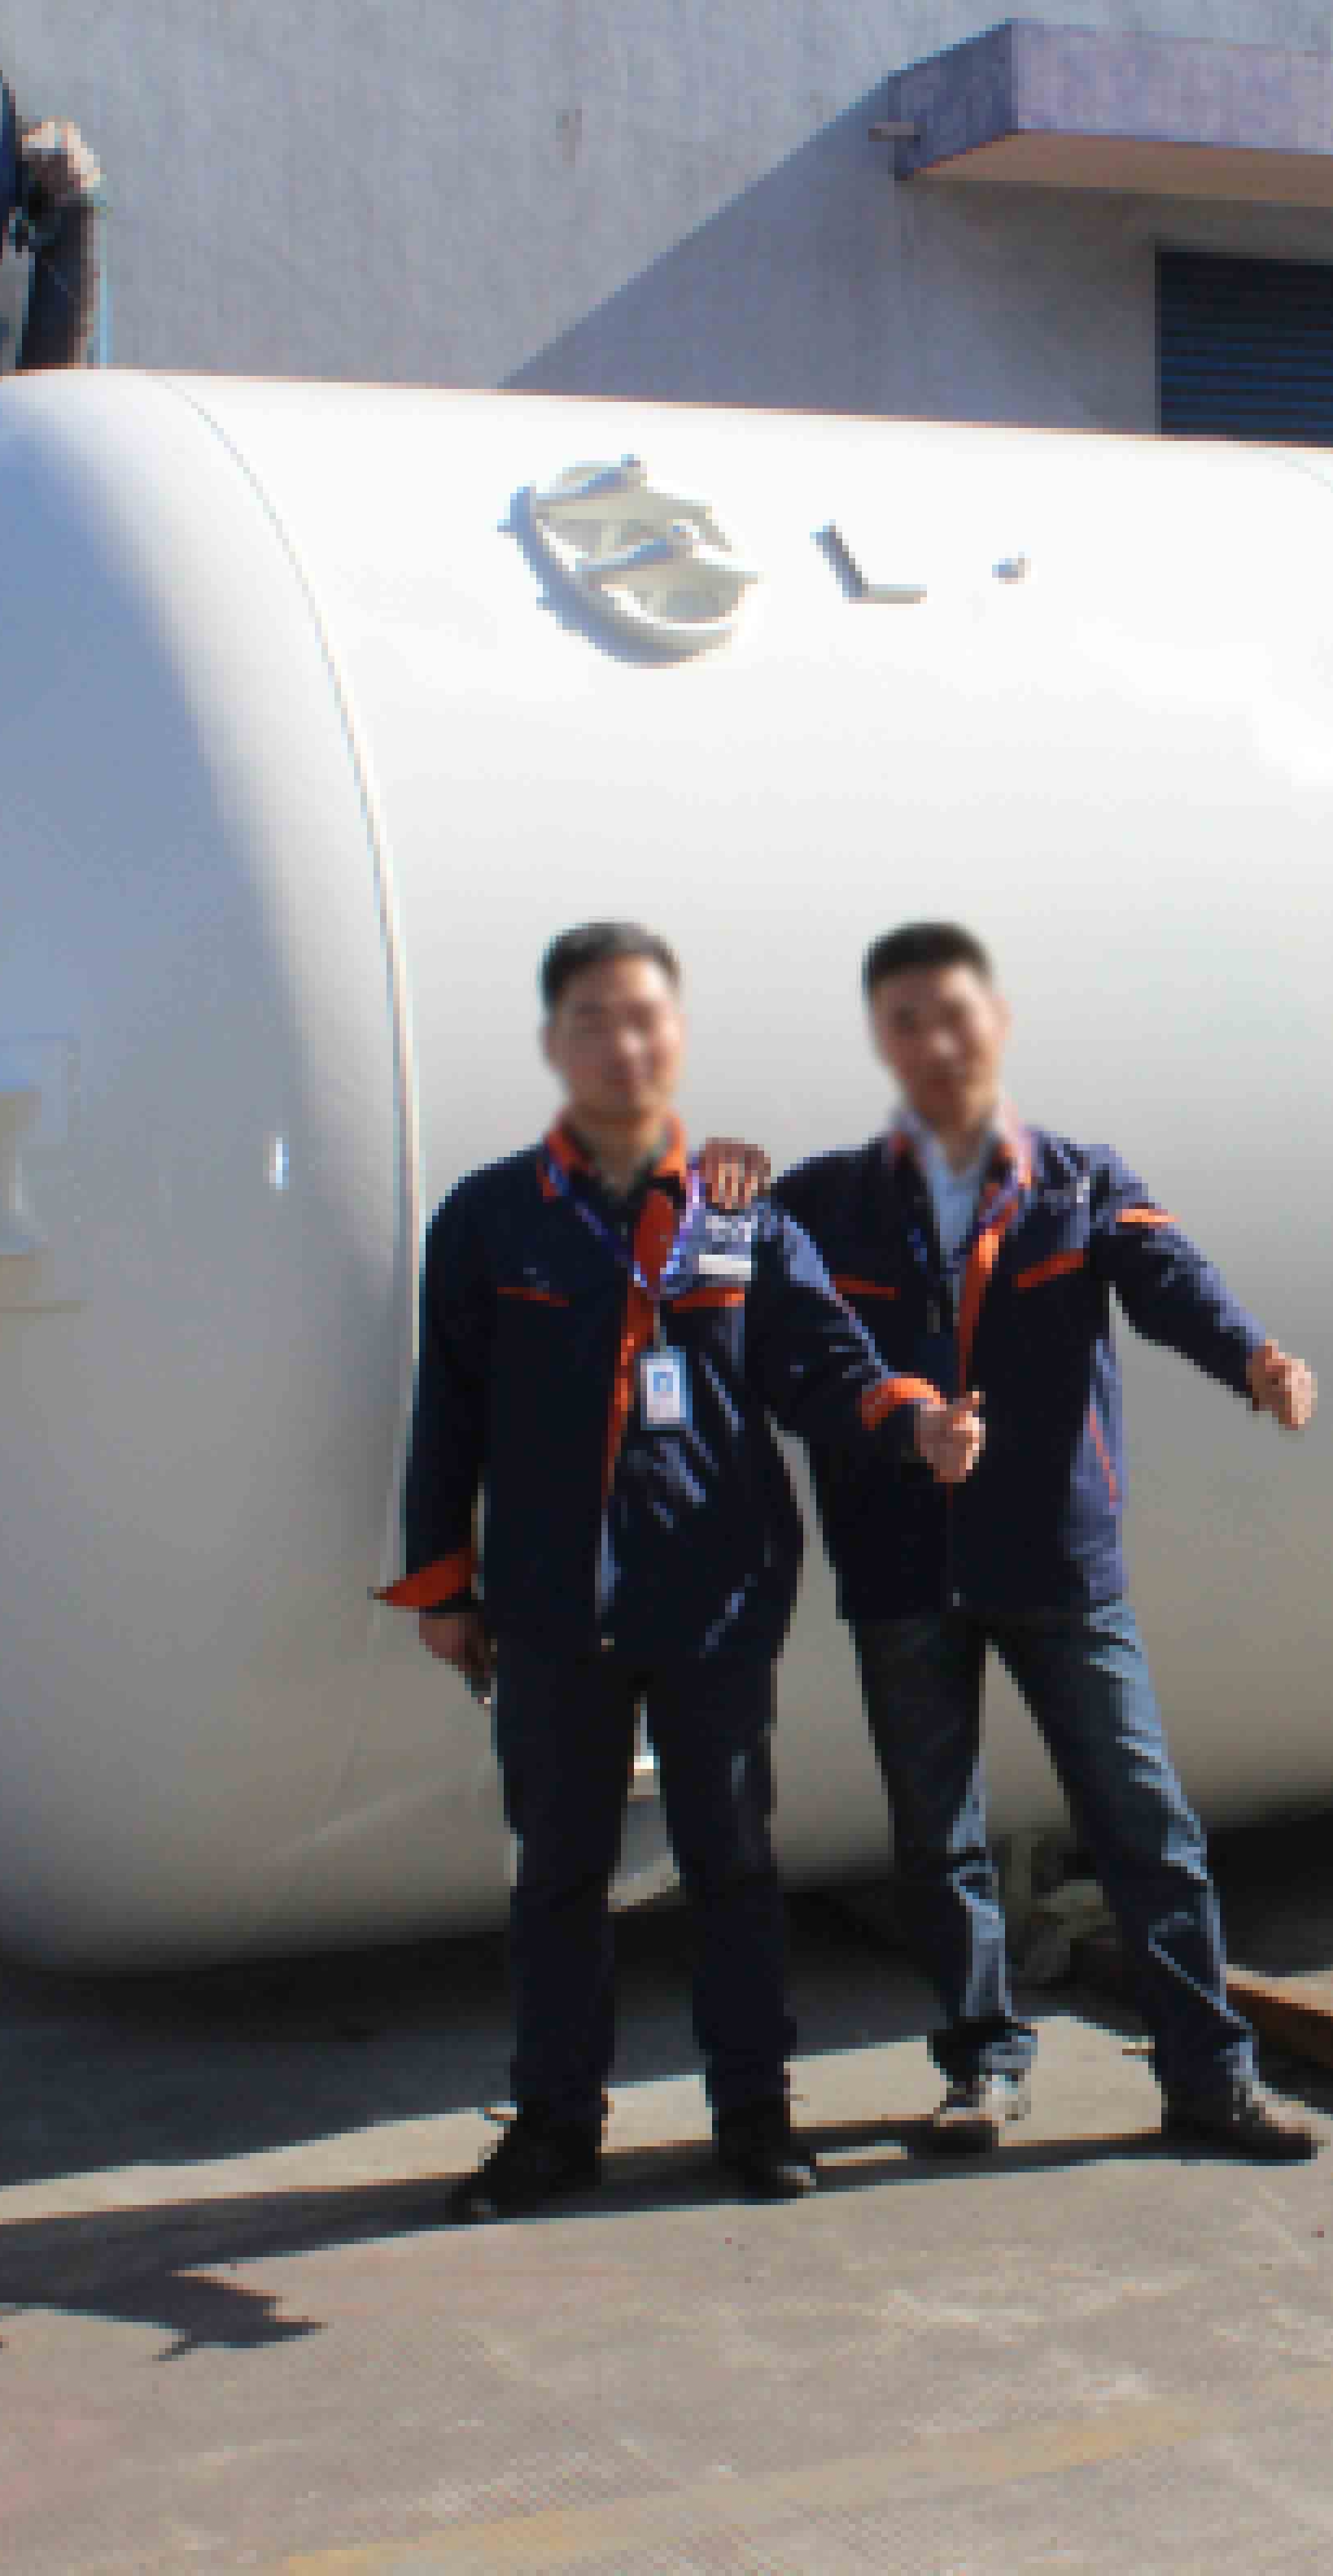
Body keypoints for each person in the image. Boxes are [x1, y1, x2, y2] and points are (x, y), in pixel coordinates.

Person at [378, 920, 984, 2222]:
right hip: (552, 1605)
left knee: (733, 1868)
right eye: (592, 1020)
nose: (623, 1043)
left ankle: (755, 2117)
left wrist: (916, 1422)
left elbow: (823, 1363)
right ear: (554, 1044)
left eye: (645, 1017)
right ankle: (554, 2128)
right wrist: (443, 1587)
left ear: (678, 1036)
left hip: (714, 1598)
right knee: (558, 1876)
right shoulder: (491, 1218)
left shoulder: (739, 1214)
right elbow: (449, 1413)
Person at [770, 921, 1325, 2163]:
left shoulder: (1078, 1181)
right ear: (883, 1043)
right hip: (901, 1561)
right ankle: (982, 2067)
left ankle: (1210, 2079)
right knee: (937, 1838)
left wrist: (1254, 1360)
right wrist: (718, 1180)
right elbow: (778, 1330)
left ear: (999, 1024)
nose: (936, 1042)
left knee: (1144, 1820)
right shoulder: (825, 1202)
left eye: (955, 1014)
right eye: (907, 1021)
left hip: (1056, 1562)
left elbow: (1170, 1277)